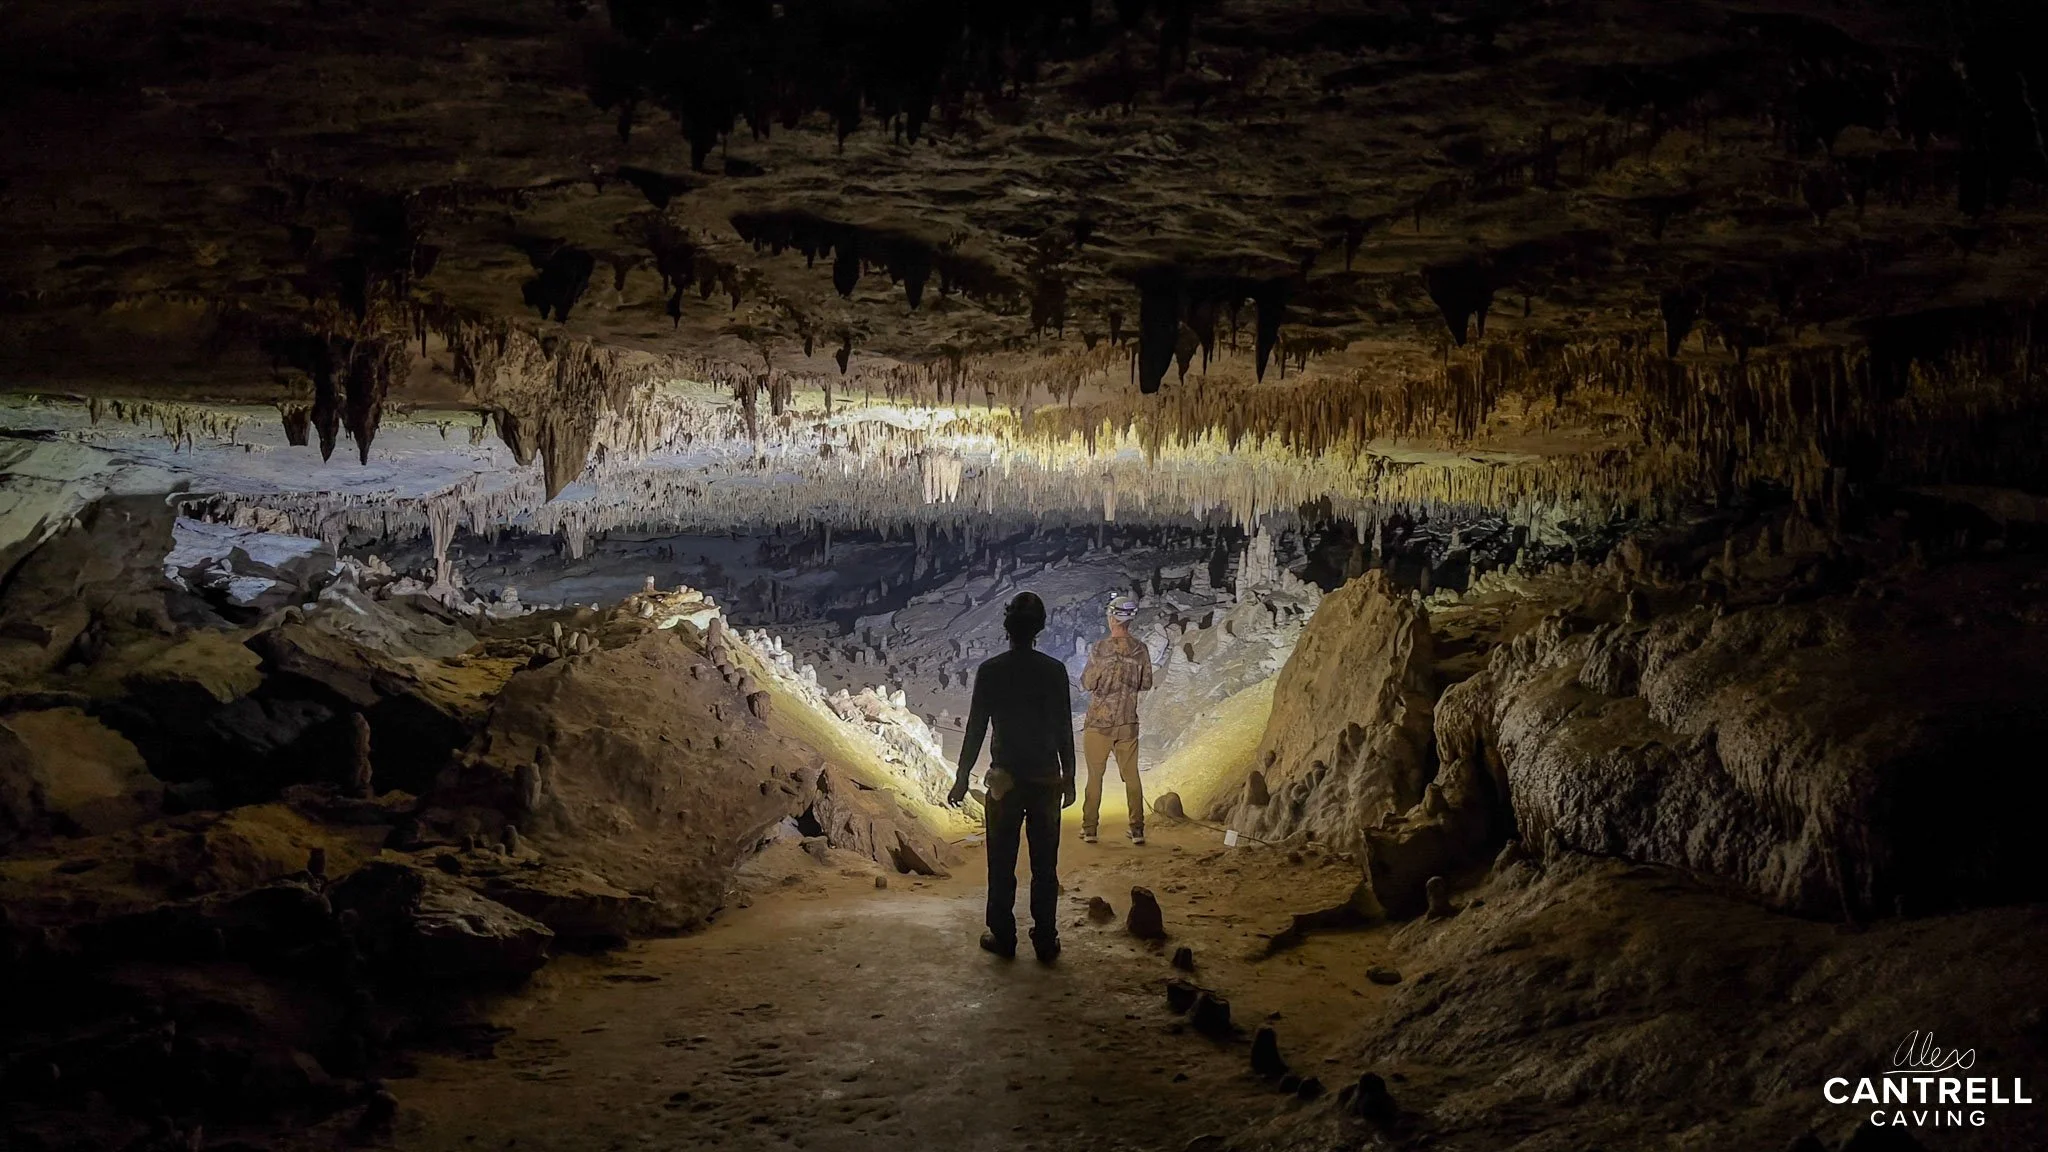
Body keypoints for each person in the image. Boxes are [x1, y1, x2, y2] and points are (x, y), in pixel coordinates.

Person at [947, 592, 1076, 962]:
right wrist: (1070, 776)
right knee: (1044, 865)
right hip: (1045, 779)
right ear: (1040, 628)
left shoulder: (992, 671)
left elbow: (975, 729)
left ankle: (1004, 935)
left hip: (1004, 781)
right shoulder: (1053, 671)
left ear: (1007, 626)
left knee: (1001, 862)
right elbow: (1063, 727)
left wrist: (961, 777)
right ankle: (1046, 939)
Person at [1079, 595, 1153, 845]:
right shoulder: (1140, 649)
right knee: (1132, 776)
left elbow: (1088, 682)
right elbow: (1146, 683)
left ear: (1112, 617)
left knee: (1094, 777)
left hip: (1099, 724)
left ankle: (1090, 829)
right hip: (1127, 723)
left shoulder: (1100, 648)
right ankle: (1138, 829)